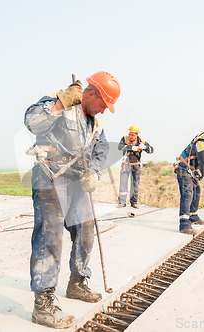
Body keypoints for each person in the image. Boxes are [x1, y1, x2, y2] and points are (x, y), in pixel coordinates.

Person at [23, 71, 120, 329]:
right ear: (91, 94)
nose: (103, 110)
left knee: (85, 231)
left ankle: (77, 283)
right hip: (51, 178)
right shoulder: (60, 103)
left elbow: (101, 149)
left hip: (78, 182)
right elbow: (32, 123)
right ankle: (43, 305)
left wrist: (94, 172)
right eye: (102, 104)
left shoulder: (95, 124)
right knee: (50, 237)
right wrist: (61, 102)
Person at [117, 125, 154, 209]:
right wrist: (132, 148)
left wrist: (145, 147)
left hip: (136, 166)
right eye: (130, 134)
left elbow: (151, 150)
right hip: (125, 165)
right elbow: (120, 147)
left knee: (135, 185)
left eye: (132, 135)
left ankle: (133, 202)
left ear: (137, 134)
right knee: (123, 184)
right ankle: (122, 202)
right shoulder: (125, 139)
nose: (130, 136)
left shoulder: (141, 142)